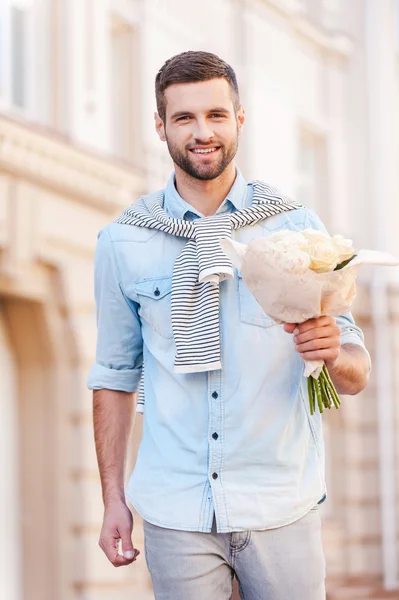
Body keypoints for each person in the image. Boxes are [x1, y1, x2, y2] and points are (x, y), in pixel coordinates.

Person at [88, 51, 370, 600]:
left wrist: (334, 352)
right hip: (176, 509)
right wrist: (113, 499)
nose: (202, 133)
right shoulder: (123, 241)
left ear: (239, 119)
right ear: (160, 126)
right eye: (184, 118)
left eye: (216, 115)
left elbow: (356, 372)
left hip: (281, 503)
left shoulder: (296, 227)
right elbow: (115, 378)